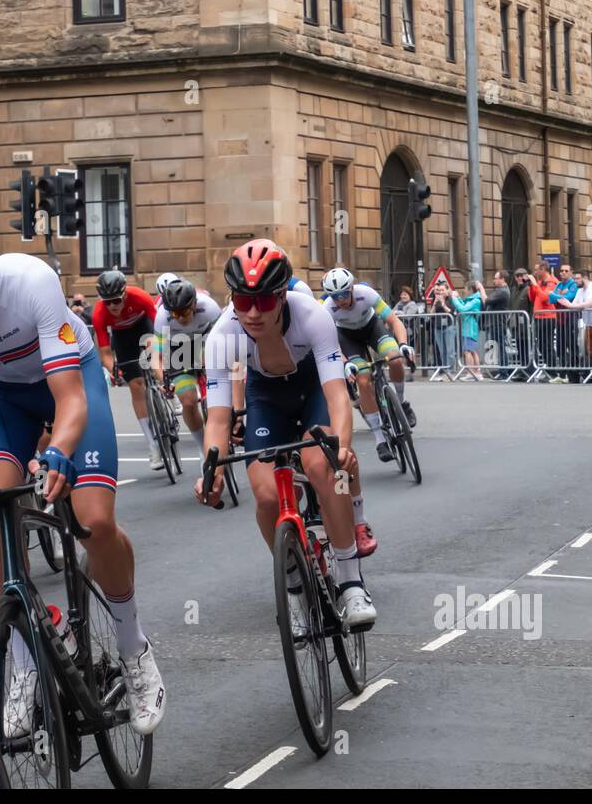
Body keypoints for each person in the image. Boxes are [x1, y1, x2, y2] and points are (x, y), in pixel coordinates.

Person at [0, 218, 165, 735]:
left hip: (65, 377)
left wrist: (61, 451)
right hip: (0, 394)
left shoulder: (30, 282)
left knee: (94, 522)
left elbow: (69, 399)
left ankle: (133, 646)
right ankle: (23, 658)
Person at [196, 240, 376, 627]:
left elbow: (336, 395)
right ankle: (294, 583)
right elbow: (219, 419)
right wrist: (211, 469)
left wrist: (342, 445)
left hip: (312, 388)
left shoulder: (312, 315)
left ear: (282, 296)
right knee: (264, 496)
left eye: (263, 301)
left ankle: (350, 581)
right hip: (267, 398)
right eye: (243, 302)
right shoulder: (221, 336)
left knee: (324, 467)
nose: (253, 312)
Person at [322, 267, 417, 450]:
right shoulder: (327, 309)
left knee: (395, 359)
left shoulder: (365, 294)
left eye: (343, 294)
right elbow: (329, 343)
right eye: (335, 296)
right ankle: (379, 438)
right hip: (348, 338)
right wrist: (345, 363)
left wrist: (403, 343)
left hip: (372, 328)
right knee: (363, 380)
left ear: (351, 289)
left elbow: (394, 321)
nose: (340, 300)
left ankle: (401, 402)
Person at [91, 270, 163, 470]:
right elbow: (105, 353)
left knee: (153, 352)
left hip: (144, 327)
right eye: (107, 302)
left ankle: (168, 390)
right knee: (136, 385)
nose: (112, 306)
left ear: (124, 294)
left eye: (115, 300)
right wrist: (115, 371)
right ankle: (153, 445)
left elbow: (160, 328)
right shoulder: (99, 314)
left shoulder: (140, 296)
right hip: (122, 338)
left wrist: (160, 350)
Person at [149, 278, 221, 457]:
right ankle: (202, 447)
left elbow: (225, 337)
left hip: (205, 341)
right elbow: (156, 358)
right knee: (188, 401)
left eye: (184, 311)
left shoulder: (209, 308)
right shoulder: (162, 317)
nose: (180, 317)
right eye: (175, 313)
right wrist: (165, 381)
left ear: (195, 304)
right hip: (178, 350)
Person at [567, 270, 592, 377]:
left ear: (585, 278)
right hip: (588, 324)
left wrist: (572, 306)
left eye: (577, 279)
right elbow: (574, 304)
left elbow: (588, 304)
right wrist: (567, 303)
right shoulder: (580, 290)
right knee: (590, 350)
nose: (575, 281)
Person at [449, 280, 485, 376]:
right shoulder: (474, 299)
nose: (464, 290)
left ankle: (471, 373)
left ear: (470, 290)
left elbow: (463, 309)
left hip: (470, 329)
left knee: (468, 351)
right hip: (469, 328)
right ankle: (476, 372)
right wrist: (458, 298)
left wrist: (454, 298)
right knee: (472, 351)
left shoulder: (475, 300)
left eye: (465, 288)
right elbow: (464, 306)